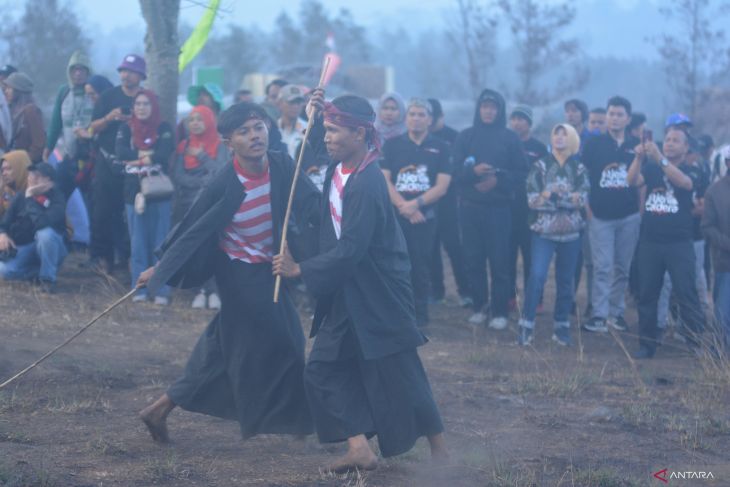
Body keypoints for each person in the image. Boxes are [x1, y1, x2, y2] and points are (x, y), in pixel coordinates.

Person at [273, 90, 447, 472]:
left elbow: (352, 248)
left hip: (379, 290)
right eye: (326, 130)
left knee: (400, 370)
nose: (327, 137)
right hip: (347, 290)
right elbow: (307, 155)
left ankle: (442, 455)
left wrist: (301, 269)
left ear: (358, 134)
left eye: (334, 130)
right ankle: (359, 448)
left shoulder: (367, 182)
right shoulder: (338, 166)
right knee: (322, 368)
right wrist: (313, 111)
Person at [136, 101, 319, 445]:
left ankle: (159, 409)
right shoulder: (224, 182)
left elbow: (314, 206)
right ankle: (298, 423)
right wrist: (162, 266)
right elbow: (191, 227)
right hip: (239, 275)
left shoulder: (281, 165)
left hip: (270, 269)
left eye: (259, 127)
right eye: (244, 131)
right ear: (227, 142)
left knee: (223, 347)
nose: (254, 136)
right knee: (288, 341)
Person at [627, 125, 705, 359]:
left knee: (686, 292)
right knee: (648, 293)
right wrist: (639, 158)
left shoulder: (693, 170)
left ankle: (695, 342)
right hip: (650, 241)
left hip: (679, 242)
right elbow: (631, 181)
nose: (669, 143)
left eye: (675, 140)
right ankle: (647, 344)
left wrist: (659, 158)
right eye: (667, 139)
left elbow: (684, 183)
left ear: (686, 147)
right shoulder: (651, 168)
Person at [453, 89, 527, 328]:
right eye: (484, 106)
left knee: (500, 262)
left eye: (493, 107)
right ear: (478, 109)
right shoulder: (465, 137)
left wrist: (498, 181)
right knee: (473, 260)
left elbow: (522, 172)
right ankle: (479, 306)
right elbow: (454, 174)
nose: (488, 111)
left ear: (500, 110)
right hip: (469, 208)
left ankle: (500, 312)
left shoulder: (510, 138)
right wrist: (472, 172)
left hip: (499, 210)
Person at [382, 98, 451, 327]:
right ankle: (395, 312)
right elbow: (385, 180)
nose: (416, 118)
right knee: (394, 265)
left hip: (425, 217)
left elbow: (442, 186)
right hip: (396, 216)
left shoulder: (441, 147)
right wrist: (404, 206)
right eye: (412, 114)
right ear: (406, 117)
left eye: (421, 114)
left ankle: (419, 317)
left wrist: (416, 205)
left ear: (429, 119)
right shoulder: (391, 145)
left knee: (420, 267)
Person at [518, 124, 589, 346]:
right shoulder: (539, 166)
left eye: (564, 134)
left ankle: (561, 328)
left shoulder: (579, 169)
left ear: (573, 139)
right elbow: (532, 200)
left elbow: (582, 200)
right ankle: (526, 326)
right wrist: (565, 198)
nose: (559, 137)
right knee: (537, 276)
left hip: (571, 234)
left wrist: (550, 196)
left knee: (566, 281)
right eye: (556, 133)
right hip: (543, 232)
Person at [581, 96, 640, 334]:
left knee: (622, 267)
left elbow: (643, 181)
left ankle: (616, 314)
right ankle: (598, 314)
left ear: (627, 118)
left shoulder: (636, 145)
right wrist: (588, 210)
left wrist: (641, 213)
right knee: (602, 266)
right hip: (600, 215)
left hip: (628, 215)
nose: (614, 118)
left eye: (619, 114)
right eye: (611, 113)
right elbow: (583, 178)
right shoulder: (594, 144)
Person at [84, 54, 145, 273]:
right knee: (102, 211)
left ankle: (130, 258)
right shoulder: (108, 97)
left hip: (135, 163)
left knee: (132, 213)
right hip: (106, 161)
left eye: (129, 71)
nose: (125, 75)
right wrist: (109, 117)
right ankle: (103, 257)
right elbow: (92, 129)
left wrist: (135, 120)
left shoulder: (146, 98)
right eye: (122, 71)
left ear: (140, 75)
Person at [115, 89, 174, 305]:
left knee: (161, 242)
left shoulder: (163, 128)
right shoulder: (126, 128)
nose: (141, 108)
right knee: (138, 243)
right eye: (138, 104)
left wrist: (137, 159)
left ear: (153, 107)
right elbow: (120, 153)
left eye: (146, 104)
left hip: (160, 191)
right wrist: (147, 157)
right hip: (134, 192)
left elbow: (164, 152)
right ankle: (139, 289)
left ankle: (161, 290)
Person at [171, 104, 229, 309]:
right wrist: (202, 183)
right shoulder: (183, 146)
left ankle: (213, 291)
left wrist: (201, 156)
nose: (194, 124)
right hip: (187, 204)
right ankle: (200, 290)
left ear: (210, 121)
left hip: (212, 204)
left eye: (199, 119)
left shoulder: (220, 145)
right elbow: (178, 176)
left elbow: (221, 171)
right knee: (194, 247)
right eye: (191, 120)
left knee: (212, 245)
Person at [427, 98, 470, 306]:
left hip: (449, 200)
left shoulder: (454, 137)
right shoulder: (421, 138)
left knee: (454, 246)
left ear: (440, 116)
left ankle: (465, 290)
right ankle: (436, 291)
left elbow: (461, 167)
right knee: (431, 247)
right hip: (426, 200)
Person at [0, 162, 67, 293]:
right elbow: (4, 223)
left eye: (37, 176)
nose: (31, 178)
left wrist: (31, 198)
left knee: (45, 234)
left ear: (48, 180)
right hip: (27, 247)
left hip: (53, 247)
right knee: (4, 270)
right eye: (30, 174)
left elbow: (42, 223)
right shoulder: (21, 196)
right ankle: (37, 272)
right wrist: (2, 234)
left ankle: (48, 279)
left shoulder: (57, 199)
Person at [508, 105, 548, 311]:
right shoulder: (505, 143)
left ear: (529, 123)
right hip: (507, 210)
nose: (516, 123)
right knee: (506, 257)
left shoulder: (539, 148)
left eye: (521, 119)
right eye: (514, 118)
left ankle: (536, 299)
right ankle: (509, 297)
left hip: (532, 212)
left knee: (531, 259)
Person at [43, 50, 93, 165]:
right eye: (74, 69)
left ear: (88, 71)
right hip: (69, 154)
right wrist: (48, 148)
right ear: (69, 72)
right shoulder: (64, 92)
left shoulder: (94, 92)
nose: (78, 73)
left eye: (81, 69)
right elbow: (55, 124)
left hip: (91, 155)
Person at [702, 146, 730, 347]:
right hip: (725, 262)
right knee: (723, 315)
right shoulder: (715, 191)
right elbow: (707, 227)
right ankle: (720, 360)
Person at [3, 72, 46, 163]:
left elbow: (38, 144)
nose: (6, 91)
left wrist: (25, 162)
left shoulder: (31, 111)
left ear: (19, 90)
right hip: (9, 163)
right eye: (5, 88)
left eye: (9, 88)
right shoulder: (8, 111)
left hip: (25, 166)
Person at [277, 85, 307, 159]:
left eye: (299, 102)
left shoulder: (308, 129)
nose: (296, 106)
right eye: (291, 102)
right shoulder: (273, 128)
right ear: (280, 103)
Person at [0, 150, 31, 220]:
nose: (4, 173)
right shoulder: (6, 190)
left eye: (8, 169)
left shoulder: (35, 190)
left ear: (20, 168)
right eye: (2, 170)